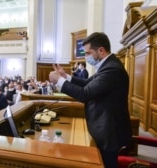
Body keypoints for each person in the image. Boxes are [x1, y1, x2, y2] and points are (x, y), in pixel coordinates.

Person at [49, 32, 132, 168]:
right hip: (106, 128)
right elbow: (87, 83)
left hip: (111, 133)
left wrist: (59, 81)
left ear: (101, 50)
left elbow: (84, 94)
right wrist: (66, 77)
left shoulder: (112, 69)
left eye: (88, 53)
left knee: (106, 164)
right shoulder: (107, 65)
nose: (85, 57)